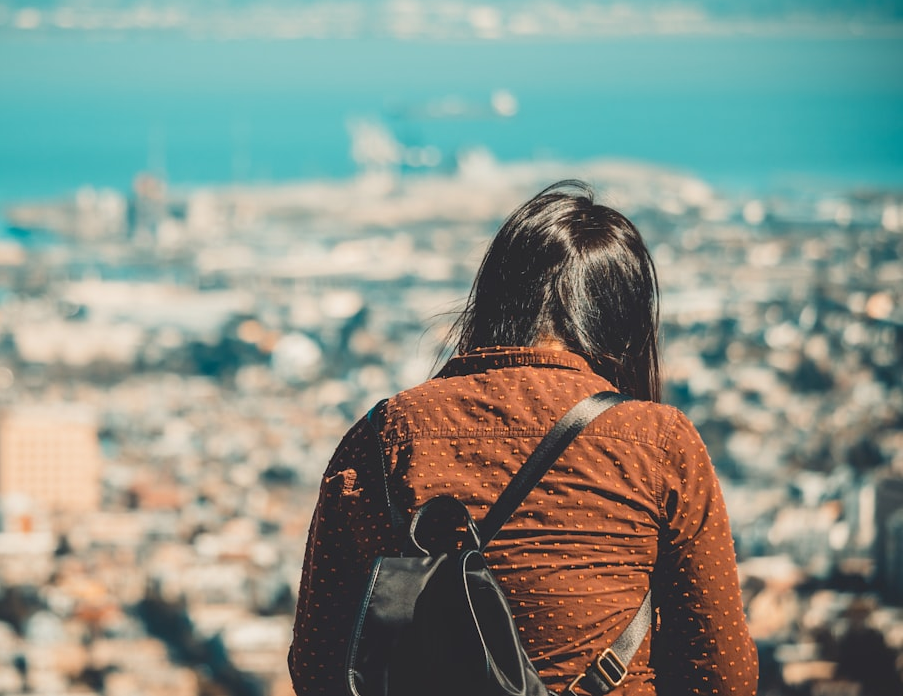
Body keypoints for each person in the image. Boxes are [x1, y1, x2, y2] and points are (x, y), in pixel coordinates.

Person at [289, 180, 758, 695]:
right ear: (624, 323)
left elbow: (322, 663)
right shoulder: (659, 443)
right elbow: (722, 673)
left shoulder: (386, 437)